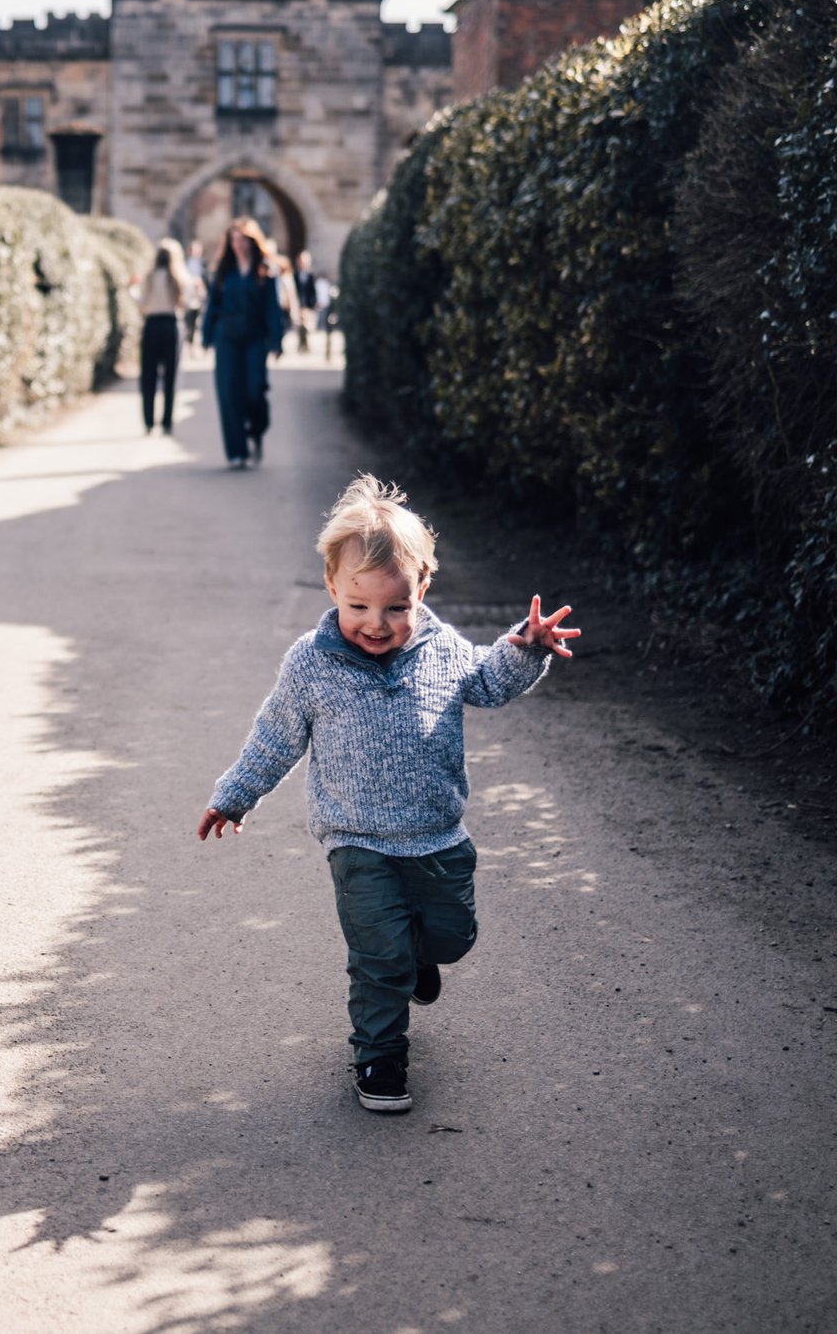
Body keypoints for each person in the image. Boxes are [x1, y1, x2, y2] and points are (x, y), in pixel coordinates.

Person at [195, 476, 578, 1113]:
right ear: (331, 589)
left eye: (395, 608)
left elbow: (488, 681)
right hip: (357, 841)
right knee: (378, 956)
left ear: (421, 590)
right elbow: (275, 738)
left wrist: (524, 648)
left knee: (452, 937)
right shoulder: (311, 664)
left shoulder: (441, 650)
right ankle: (379, 1057)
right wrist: (235, 794)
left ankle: (418, 959)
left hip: (438, 835)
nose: (376, 624)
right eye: (358, 607)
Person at [200, 218, 287, 468]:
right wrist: (206, 336)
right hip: (226, 336)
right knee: (228, 394)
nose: (238, 245)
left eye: (242, 240)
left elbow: (272, 308)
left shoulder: (265, 271)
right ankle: (236, 452)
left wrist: (276, 341)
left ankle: (256, 431)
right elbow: (212, 306)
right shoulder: (223, 271)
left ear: (251, 241)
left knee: (254, 391)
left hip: (254, 337)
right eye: (233, 240)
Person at [130, 238, 193, 435]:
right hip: (171, 325)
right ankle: (167, 422)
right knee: (170, 377)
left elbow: (141, 302)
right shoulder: (181, 277)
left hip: (151, 325)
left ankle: (148, 421)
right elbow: (190, 303)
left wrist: (130, 289)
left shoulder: (150, 276)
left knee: (148, 376)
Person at [291, 251, 328, 354]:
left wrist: (311, 306)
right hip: (297, 305)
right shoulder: (295, 275)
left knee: (308, 327)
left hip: (308, 305)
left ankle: (307, 345)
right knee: (298, 326)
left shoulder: (311, 275)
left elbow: (313, 292)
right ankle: (300, 344)